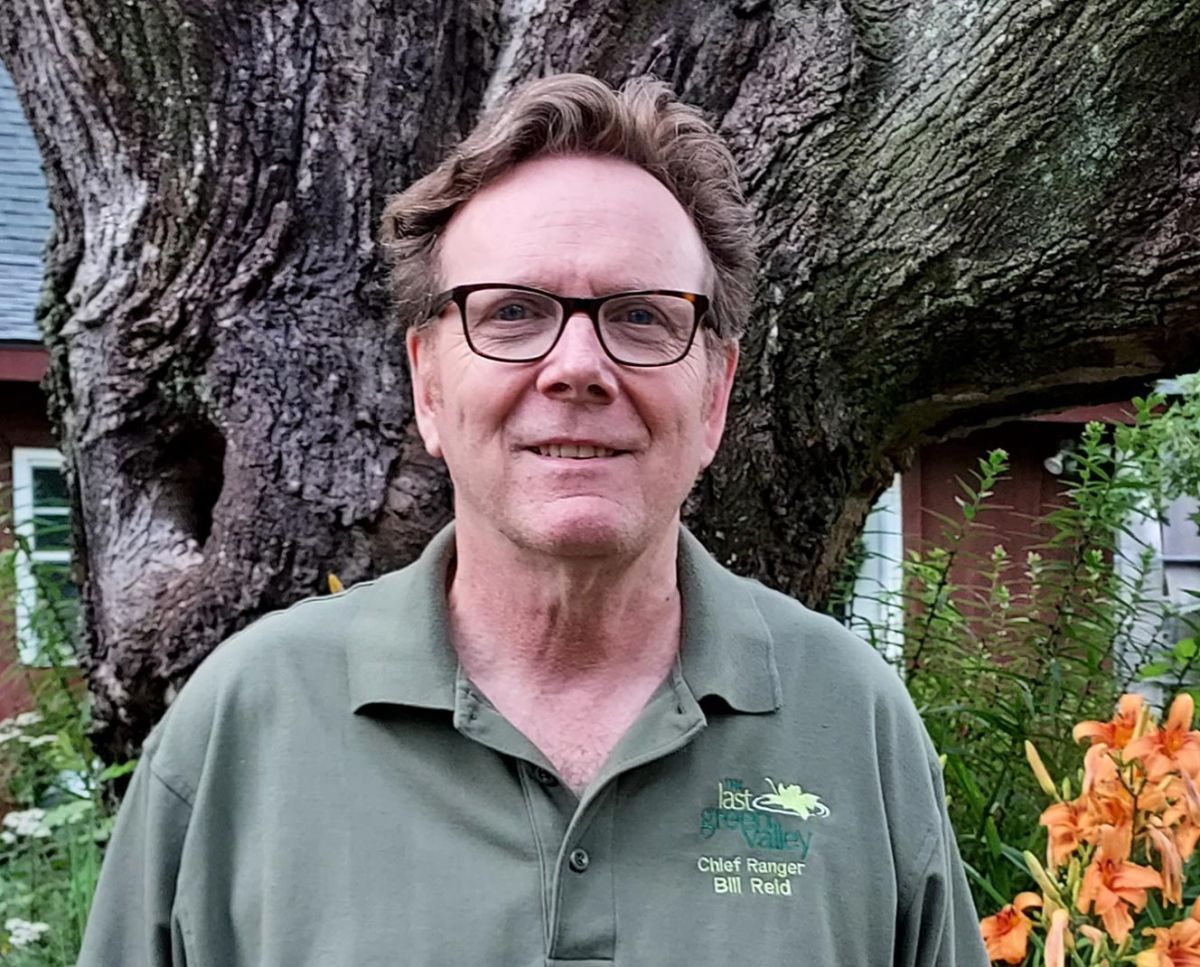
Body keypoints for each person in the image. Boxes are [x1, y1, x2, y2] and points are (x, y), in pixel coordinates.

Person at [78, 73, 988, 966]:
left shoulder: (851, 722)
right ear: (428, 385)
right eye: (513, 312)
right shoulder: (245, 728)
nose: (578, 367)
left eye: (642, 316)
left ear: (715, 395)